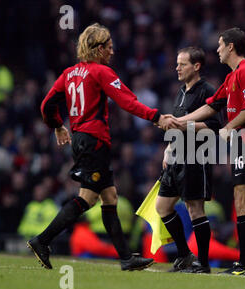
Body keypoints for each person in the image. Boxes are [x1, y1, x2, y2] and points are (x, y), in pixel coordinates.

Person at [26, 23, 178, 271]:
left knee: (110, 197)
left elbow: (46, 105)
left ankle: (126, 258)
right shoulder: (101, 72)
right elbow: (127, 101)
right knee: (87, 197)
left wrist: (57, 126)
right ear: (97, 49)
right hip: (94, 141)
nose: (112, 51)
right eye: (108, 47)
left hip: (81, 140)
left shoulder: (69, 74)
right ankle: (42, 240)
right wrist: (156, 117)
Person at [176, 27, 245, 275]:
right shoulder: (232, 77)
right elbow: (211, 106)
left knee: (242, 202)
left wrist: (228, 126)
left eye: (219, 45)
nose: (216, 49)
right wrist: (179, 121)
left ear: (230, 47)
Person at [156, 47, 220, 273]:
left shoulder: (208, 91)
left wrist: (184, 125)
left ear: (197, 66)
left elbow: (215, 127)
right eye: (177, 63)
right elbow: (175, 124)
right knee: (162, 207)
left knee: (195, 210)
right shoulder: (181, 91)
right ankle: (184, 254)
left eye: (182, 64)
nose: (177, 68)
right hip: (176, 157)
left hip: (196, 157)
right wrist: (168, 148)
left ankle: (203, 263)